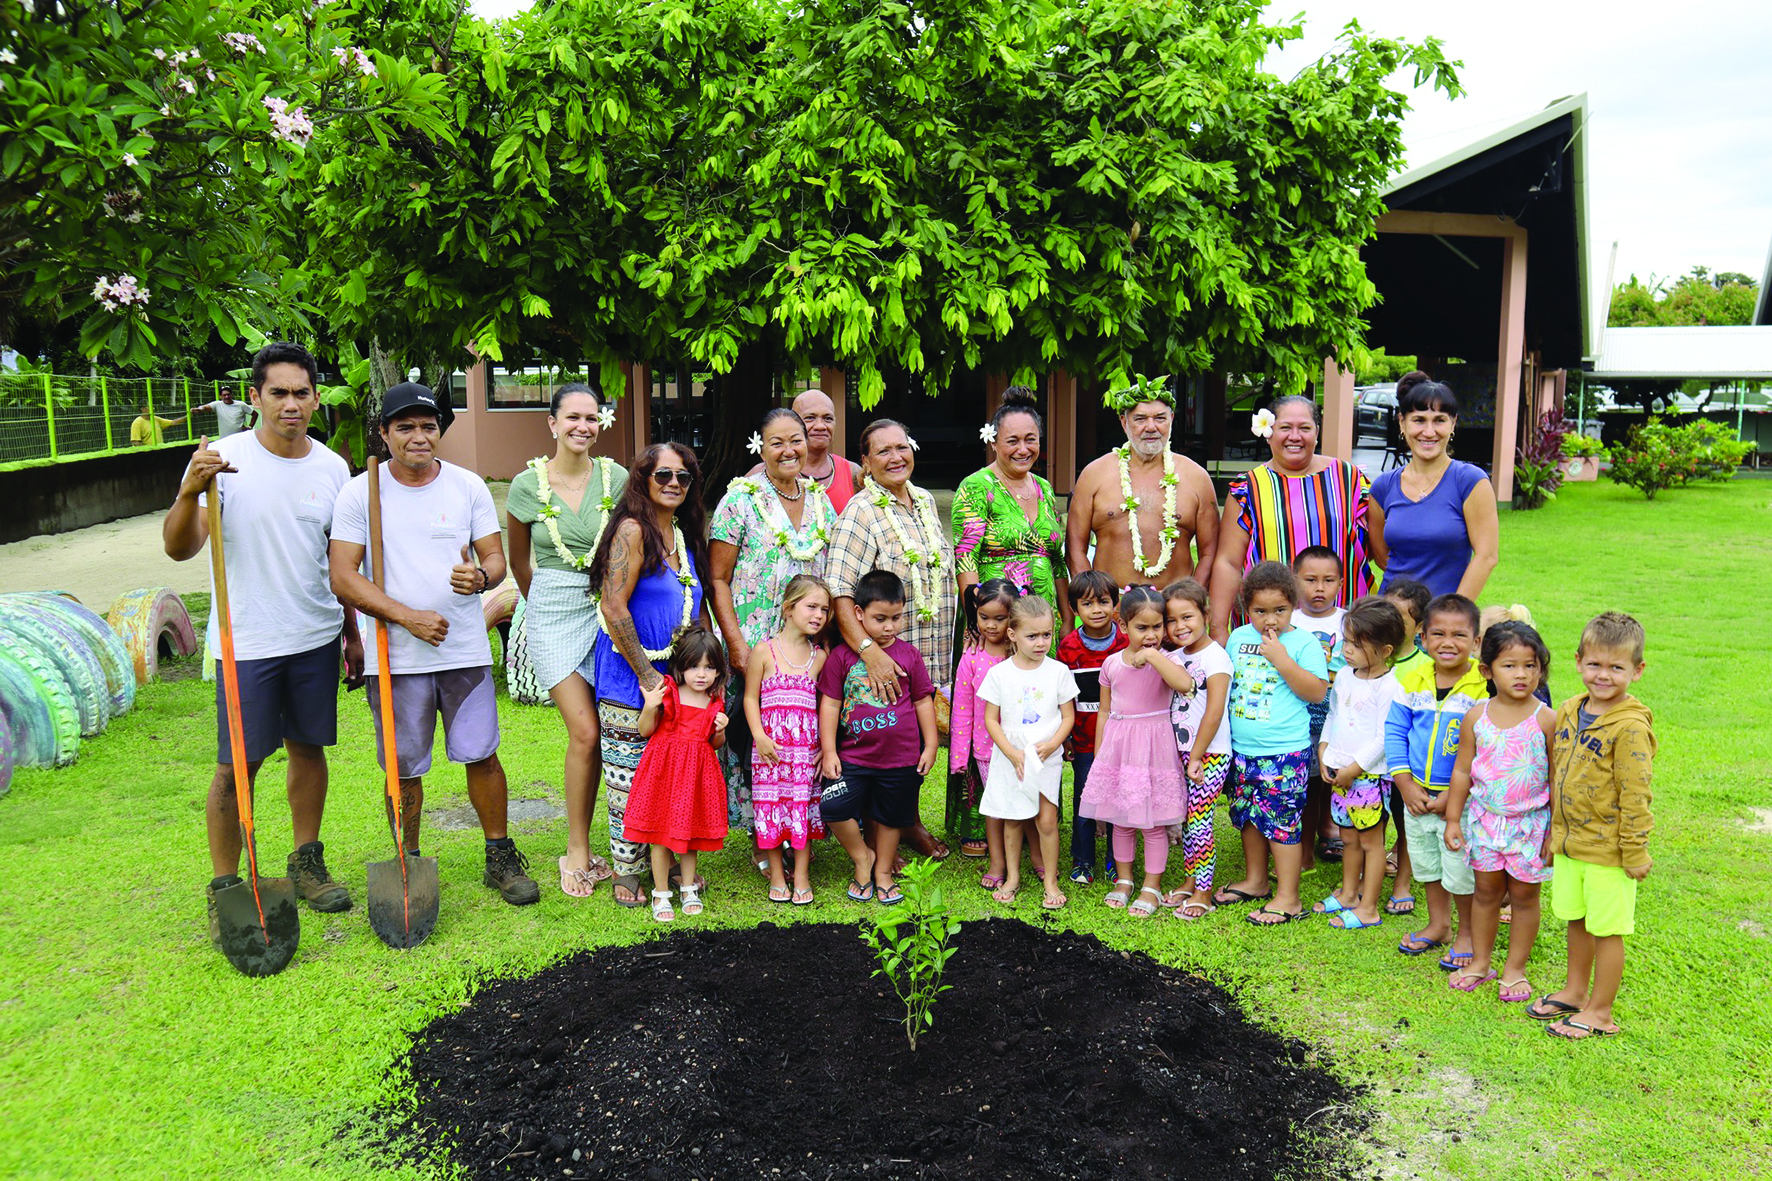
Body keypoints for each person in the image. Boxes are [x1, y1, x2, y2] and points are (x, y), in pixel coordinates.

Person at [162, 341, 361, 944]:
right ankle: (226, 884)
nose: (291, 404)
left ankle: (305, 863)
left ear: (316, 398)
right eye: (278, 392)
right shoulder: (221, 460)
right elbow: (178, 547)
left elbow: (338, 561)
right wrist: (189, 491)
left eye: (302, 393)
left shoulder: (331, 468)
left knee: (308, 748)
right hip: (245, 640)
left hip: (315, 636)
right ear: (255, 397)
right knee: (236, 767)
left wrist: (351, 633)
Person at [329, 382, 538, 905]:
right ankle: (408, 861)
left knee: (482, 756)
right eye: (405, 427)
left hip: (463, 651)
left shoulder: (466, 487)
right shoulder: (362, 492)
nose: (419, 437)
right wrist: (407, 618)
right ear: (384, 434)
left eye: (428, 426)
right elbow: (342, 576)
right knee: (403, 768)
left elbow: (495, 559)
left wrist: (483, 578)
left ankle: (499, 857)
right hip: (394, 657)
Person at [504, 382, 627, 898]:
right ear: (551, 423)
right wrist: (541, 605)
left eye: (591, 418)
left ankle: (625, 843)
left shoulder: (616, 479)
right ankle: (576, 850)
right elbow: (517, 561)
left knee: (611, 729)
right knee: (584, 732)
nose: (582, 426)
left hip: (607, 608)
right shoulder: (525, 486)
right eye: (572, 417)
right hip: (552, 609)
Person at [586, 442, 713, 907]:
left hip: (680, 677)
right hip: (630, 675)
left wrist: (704, 669)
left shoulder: (681, 533)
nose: (674, 484)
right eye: (663, 475)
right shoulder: (631, 531)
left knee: (674, 771)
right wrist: (646, 675)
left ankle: (672, 855)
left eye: (683, 477)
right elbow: (613, 606)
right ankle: (627, 868)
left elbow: (694, 609)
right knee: (629, 774)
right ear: (642, 479)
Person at [824, 418, 953, 860]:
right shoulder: (860, 512)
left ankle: (907, 823)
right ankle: (886, 839)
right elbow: (839, 591)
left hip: (924, 651)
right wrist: (869, 653)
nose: (896, 457)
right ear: (865, 462)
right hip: (880, 661)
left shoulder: (924, 501)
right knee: (882, 751)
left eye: (903, 446)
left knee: (911, 746)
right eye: (884, 451)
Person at [711, 407, 837, 848]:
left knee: (798, 734)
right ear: (760, 447)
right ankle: (760, 834)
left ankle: (798, 825)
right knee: (755, 735)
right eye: (776, 442)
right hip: (756, 642)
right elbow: (719, 578)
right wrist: (737, 645)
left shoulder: (821, 500)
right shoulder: (740, 500)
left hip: (805, 646)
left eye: (795, 440)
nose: (788, 450)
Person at [1534, 612, 1655, 1040]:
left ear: (1636, 671)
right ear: (1579, 660)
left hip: (1609, 850)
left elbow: (1635, 793)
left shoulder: (1630, 727)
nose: (1603, 675)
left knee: (1608, 930)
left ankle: (1600, 1012)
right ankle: (1574, 991)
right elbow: (1557, 773)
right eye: (1595, 664)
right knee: (1576, 919)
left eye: (1617, 667)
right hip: (1570, 843)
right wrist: (1553, 832)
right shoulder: (1568, 709)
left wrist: (1635, 849)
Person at [1442, 621, 1556, 998]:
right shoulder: (1477, 716)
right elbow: (1461, 771)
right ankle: (1480, 961)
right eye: (1510, 665)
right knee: (1485, 893)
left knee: (1524, 897)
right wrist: (1454, 818)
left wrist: (1557, 828)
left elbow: (1558, 779)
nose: (1521, 674)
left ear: (1541, 669)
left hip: (1531, 826)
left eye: (1530, 665)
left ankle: (1515, 969)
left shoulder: (1547, 719)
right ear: (1487, 670)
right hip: (1484, 821)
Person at [1215, 562, 1329, 927]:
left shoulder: (1303, 643)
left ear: (1293, 605)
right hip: (1242, 749)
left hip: (1283, 752)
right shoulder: (1237, 638)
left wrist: (1282, 661)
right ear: (1246, 608)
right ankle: (1256, 880)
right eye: (1260, 611)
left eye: (1279, 610)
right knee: (1249, 815)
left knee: (1282, 824)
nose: (1270, 619)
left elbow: (1316, 692)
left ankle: (1289, 897)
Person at [817, 570, 939, 906]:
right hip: (853, 757)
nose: (889, 627)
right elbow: (830, 704)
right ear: (859, 614)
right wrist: (829, 750)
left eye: (896, 618)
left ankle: (883, 872)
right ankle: (863, 859)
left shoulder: (909, 656)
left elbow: (922, 701)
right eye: (880, 619)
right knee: (833, 805)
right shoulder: (842, 656)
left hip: (900, 758)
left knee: (891, 817)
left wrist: (929, 744)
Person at [1208, 395, 1372, 643]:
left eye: (1304, 428)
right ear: (1268, 432)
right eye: (1285, 427)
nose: (1295, 436)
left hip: (1340, 626)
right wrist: (1219, 629)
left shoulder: (1348, 479)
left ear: (1317, 432)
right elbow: (1228, 563)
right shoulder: (1248, 488)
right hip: (1268, 629)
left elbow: (1371, 547)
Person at [1080, 585, 1197, 919]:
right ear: (1123, 626)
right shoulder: (1111, 664)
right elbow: (1104, 711)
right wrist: (1102, 755)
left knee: (1153, 824)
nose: (1150, 635)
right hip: (1119, 748)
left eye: (1157, 627)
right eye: (1142, 628)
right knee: (1122, 821)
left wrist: (1156, 657)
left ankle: (1152, 885)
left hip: (1153, 748)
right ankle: (1125, 880)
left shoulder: (1167, 660)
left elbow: (1184, 684)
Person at [1384, 593, 1486, 965]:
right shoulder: (1411, 679)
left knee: (1459, 869)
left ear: (1476, 642)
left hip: (1460, 800)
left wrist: (1454, 798)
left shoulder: (1483, 687)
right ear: (1423, 638)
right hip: (1415, 795)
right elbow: (1395, 731)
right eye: (1438, 634)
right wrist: (1405, 784)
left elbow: (1486, 750)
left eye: (1460, 635)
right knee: (1427, 865)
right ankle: (1438, 925)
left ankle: (1467, 932)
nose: (1448, 643)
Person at [1067, 376, 1218, 590]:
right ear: (1124, 422)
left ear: (1172, 419)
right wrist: (1096, 600)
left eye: (1160, 418)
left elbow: (1210, 553)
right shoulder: (1094, 475)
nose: (1151, 427)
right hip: (1110, 610)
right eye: (1140, 419)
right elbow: (1074, 550)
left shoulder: (1197, 478)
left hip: (1174, 611)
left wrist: (1188, 603)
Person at [978, 595, 1078, 910]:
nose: (1040, 643)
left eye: (1046, 635)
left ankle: (1050, 880)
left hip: (1045, 754)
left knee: (1047, 820)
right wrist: (1011, 753)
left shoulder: (1058, 671)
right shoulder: (999, 674)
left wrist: (1053, 744)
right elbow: (990, 720)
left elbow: (1068, 717)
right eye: (1031, 636)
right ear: (1013, 635)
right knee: (1013, 818)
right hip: (1011, 755)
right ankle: (1012, 877)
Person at [624, 629, 730, 923]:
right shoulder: (668, 691)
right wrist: (650, 706)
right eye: (694, 666)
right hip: (664, 773)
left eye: (709, 667)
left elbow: (714, 743)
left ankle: (688, 887)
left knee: (690, 837)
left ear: (718, 671)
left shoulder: (713, 701)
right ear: (680, 666)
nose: (701, 674)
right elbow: (646, 730)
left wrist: (720, 729)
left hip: (697, 776)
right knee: (660, 836)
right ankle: (660, 893)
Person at [953, 387, 1071, 651]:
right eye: (1012, 441)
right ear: (994, 442)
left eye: (1030, 439)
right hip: (995, 620)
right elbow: (965, 555)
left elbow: (1057, 560)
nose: (1023, 449)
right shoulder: (977, 487)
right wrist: (976, 619)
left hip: (1041, 619)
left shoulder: (1045, 489)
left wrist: (1066, 616)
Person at [1315, 598, 1408, 932]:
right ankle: (1349, 893)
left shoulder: (1391, 686)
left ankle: (1369, 907)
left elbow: (1385, 737)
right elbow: (1335, 715)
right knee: (1348, 839)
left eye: (1356, 644)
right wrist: (1325, 749)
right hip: (1341, 772)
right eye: (1346, 641)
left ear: (1384, 650)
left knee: (1371, 842)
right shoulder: (1342, 675)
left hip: (1367, 776)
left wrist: (1354, 768)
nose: (1347, 649)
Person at [743, 574, 833, 905]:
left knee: (801, 811)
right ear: (788, 608)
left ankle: (803, 875)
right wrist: (759, 735)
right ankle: (778, 877)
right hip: (770, 752)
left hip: (804, 754)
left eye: (824, 610)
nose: (818, 615)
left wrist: (825, 745)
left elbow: (826, 707)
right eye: (811, 607)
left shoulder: (819, 657)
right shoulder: (764, 652)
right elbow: (750, 698)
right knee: (770, 811)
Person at [1368, 380, 1500, 599]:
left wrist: (1452, 612)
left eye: (1439, 421)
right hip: (1389, 620)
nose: (1429, 432)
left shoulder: (1470, 481)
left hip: (1445, 622)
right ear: (1402, 423)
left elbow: (1487, 556)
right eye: (1419, 420)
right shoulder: (1383, 487)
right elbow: (1383, 558)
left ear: (1453, 424)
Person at [1160, 579, 1232, 920]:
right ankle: (1190, 881)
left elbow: (1215, 710)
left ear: (1205, 614)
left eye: (1187, 617)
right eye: (1171, 621)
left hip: (1210, 753)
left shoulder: (1216, 656)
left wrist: (1199, 755)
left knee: (1201, 822)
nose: (1179, 627)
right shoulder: (1173, 657)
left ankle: (1203, 893)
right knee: (1189, 820)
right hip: (1182, 754)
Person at [1056, 571, 1126, 885]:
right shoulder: (1068, 648)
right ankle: (1083, 860)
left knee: (1119, 800)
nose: (1096, 609)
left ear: (1115, 605)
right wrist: (1067, 737)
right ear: (1073, 608)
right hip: (1084, 739)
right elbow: (1064, 698)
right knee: (1085, 798)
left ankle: (1116, 859)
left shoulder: (1126, 641)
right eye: (1087, 603)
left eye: (1103, 602)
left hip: (1122, 737)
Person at [949, 579, 1017, 871]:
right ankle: (998, 861)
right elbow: (962, 711)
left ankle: (1033, 854)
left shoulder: (1023, 654)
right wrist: (959, 757)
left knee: (1020, 805)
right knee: (994, 806)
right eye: (984, 618)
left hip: (1020, 746)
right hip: (987, 750)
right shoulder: (972, 658)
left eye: (1000, 619)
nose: (991, 626)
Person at [1291, 545, 1348, 868]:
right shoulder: (1290, 620)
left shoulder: (1348, 621)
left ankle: (1331, 828)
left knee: (1330, 778)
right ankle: (1303, 845)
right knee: (1308, 782)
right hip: (1299, 719)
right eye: (1310, 580)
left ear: (1340, 583)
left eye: (1328, 580)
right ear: (1295, 580)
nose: (1319, 588)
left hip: (1336, 720)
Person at [1380, 575, 1432, 915]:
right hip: (1369, 761)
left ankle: (1403, 882)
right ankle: (1369, 868)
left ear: (1419, 628)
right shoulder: (1371, 656)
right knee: (1371, 819)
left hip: (1405, 763)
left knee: (1404, 821)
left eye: (1401, 620)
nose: (1391, 626)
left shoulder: (1425, 667)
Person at [746, 388, 862, 512]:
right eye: (810, 418)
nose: (820, 426)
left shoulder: (852, 473)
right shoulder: (761, 474)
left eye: (828, 418)